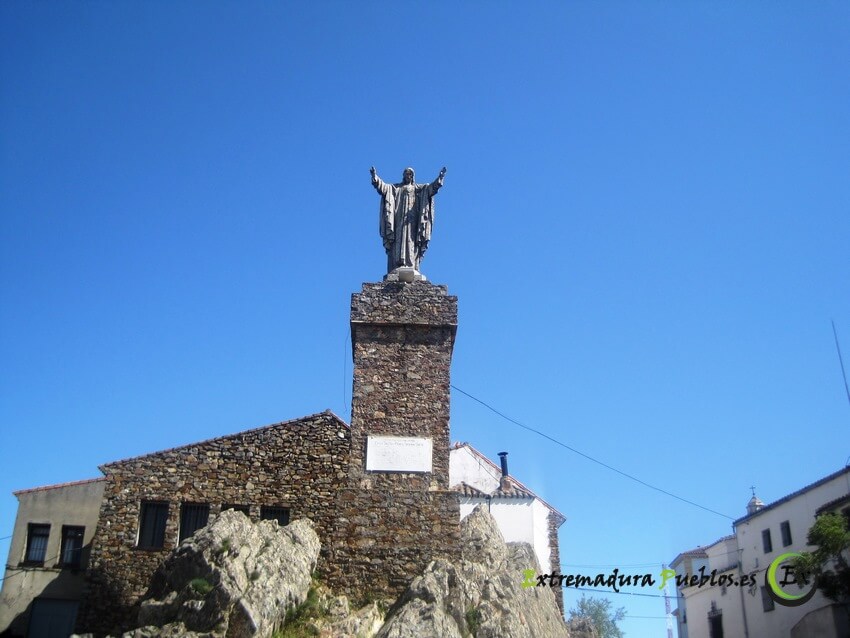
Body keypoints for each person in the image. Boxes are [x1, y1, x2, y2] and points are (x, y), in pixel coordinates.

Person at [370, 166, 447, 273]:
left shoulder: (418, 189)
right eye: (406, 174)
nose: (408, 176)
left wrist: (440, 178)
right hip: (399, 219)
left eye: (410, 174)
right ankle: (398, 263)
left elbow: (430, 189)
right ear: (403, 176)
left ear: (412, 176)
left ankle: (411, 263)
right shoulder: (396, 188)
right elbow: (383, 187)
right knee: (399, 240)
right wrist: (375, 177)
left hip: (412, 220)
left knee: (411, 240)